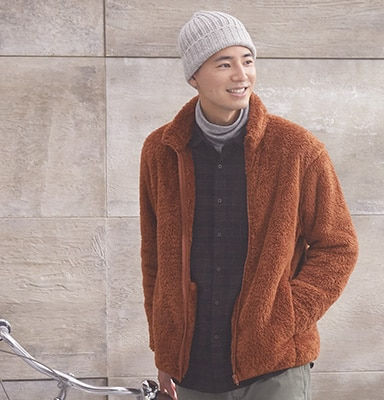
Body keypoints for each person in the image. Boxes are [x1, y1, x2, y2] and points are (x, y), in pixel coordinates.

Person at [139, 10, 359, 400]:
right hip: (193, 366)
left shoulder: (296, 149)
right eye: (224, 64)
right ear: (194, 76)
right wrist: (165, 346)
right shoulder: (161, 151)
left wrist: (287, 314)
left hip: (274, 366)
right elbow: (155, 257)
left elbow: (338, 245)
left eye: (248, 60)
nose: (241, 75)